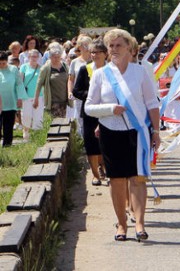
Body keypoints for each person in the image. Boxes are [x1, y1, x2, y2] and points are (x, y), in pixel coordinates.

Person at [85, 29, 160, 242]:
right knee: (116, 180)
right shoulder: (100, 74)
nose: (114, 49)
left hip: (137, 133)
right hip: (110, 133)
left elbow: (152, 103)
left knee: (137, 178)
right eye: (111, 46)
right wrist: (110, 109)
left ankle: (140, 223)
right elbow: (89, 108)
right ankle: (121, 224)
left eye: (119, 45)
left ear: (129, 48)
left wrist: (156, 131)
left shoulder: (140, 72)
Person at [72, 40, 108, 186]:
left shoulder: (111, 69)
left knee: (105, 143)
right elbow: (76, 91)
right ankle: (95, 175)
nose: (94, 55)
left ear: (105, 54)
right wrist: (92, 95)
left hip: (107, 112)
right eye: (92, 52)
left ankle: (105, 168)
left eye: (98, 52)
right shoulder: (85, 69)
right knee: (91, 144)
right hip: (90, 113)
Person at [34, 43, 73, 119]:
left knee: (63, 121)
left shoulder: (65, 66)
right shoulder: (45, 68)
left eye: (58, 57)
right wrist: (36, 99)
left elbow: (70, 79)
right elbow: (39, 84)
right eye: (54, 57)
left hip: (64, 100)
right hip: (53, 101)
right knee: (55, 122)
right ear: (50, 57)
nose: (57, 59)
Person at [0, 51, 28, 146]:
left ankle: (7, 144)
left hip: (11, 101)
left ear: (7, 61)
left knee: (8, 124)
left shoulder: (13, 69)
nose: (1, 65)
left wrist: (20, 98)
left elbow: (19, 84)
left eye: (3, 63)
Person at [68, 35, 92, 135]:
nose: (85, 47)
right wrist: (69, 91)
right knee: (79, 118)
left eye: (87, 44)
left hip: (92, 93)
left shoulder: (95, 60)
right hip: (79, 94)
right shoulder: (75, 62)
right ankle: (81, 141)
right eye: (83, 45)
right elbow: (71, 79)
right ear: (79, 47)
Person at [19, 49, 45, 138]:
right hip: (26, 96)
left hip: (39, 96)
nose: (33, 58)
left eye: (35, 56)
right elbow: (20, 81)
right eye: (31, 56)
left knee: (38, 117)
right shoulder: (24, 67)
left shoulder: (41, 68)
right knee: (26, 115)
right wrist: (20, 95)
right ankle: (26, 131)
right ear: (28, 57)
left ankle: (37, 136)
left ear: (38, 57)